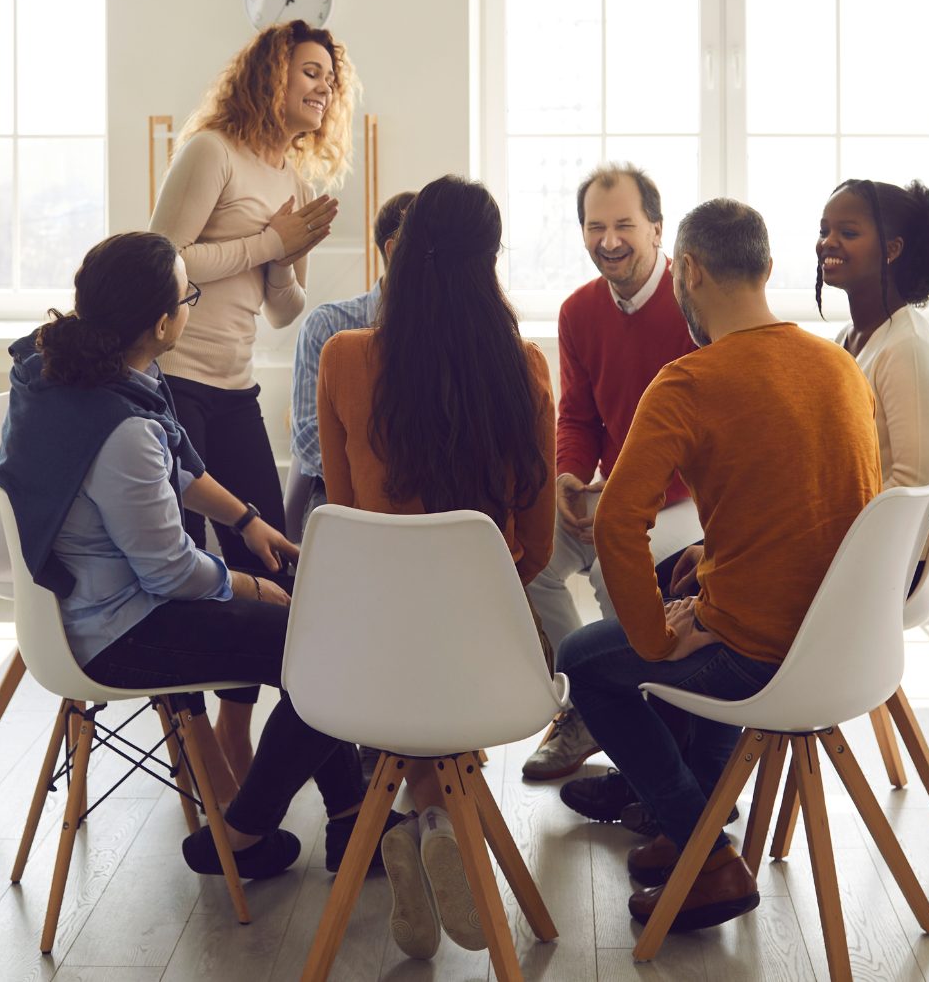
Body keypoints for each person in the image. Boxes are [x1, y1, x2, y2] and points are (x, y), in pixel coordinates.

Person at [0, 231, 384, 881]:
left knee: (313, 638)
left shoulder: (60, 376)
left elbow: (171, 464)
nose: (191, 306)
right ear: (162, 321)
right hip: (122, 632)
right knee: (326, 648)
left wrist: (247, 519)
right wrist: (256, 588)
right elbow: (171, 570)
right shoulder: (122, 428)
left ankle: (348, 822)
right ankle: (243, 831)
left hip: (82, 604)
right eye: (188, 295)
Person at [556, 199, 880, 934]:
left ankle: (705, 851)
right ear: (767, 268)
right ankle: (691, 826)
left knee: (583, 659)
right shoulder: (839, 365)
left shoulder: (690, 379)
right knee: (687, 575)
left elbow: (615, 522)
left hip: (756, 654)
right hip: (841, 646)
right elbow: (838, 499)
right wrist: (712, 563)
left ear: (689, 269)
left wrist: (655, 637)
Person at [316, 174, 556, 960]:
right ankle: (445, 822)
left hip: (371, 664)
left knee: (403, 648)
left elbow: (347, 528)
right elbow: (540, 548)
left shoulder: (343, 357)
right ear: (490, 260)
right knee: (448, 652)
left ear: (403, 253)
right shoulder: (524, 370)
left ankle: (422, 819)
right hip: (488, 659)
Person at [149, 19, 357, 779]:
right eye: (309, 72)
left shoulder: (287, 177)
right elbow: (159, 259)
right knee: (177, 569)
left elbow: (280, 309)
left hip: (234, 387)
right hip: (171, 387)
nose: (323, 88)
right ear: (269, 76)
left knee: (268, 561)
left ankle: (237, 730)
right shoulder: (212, 152)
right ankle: (196, 743)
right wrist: (271, 243)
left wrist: (288, 257)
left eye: (330, 79)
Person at [522, 163, 702, 783]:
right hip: (609, 489)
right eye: (595, 227)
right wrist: (570, 477)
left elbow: (707, 434)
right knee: (531, 562)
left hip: (684, 495)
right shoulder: (578, 312)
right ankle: (585, 706)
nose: (609, 239)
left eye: (625, 224)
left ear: (657, 229)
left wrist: (624, 499)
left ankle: (631, 715)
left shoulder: (695, 306)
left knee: (611, 570)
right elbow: (577, 417)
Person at [817, 178, 929, 492]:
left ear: (892, 249)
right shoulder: (848, 338)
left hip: (869, 536)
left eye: (847, 232)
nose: (828, 243)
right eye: (824, 231)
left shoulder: (909, 349)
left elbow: (914, 485)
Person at [285, 189, 416, 541]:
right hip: (338, 489)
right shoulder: (327, 325)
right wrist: (375, 481)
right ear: (395, 250)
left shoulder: (448, 327)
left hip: (423, 488)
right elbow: (308, 436)